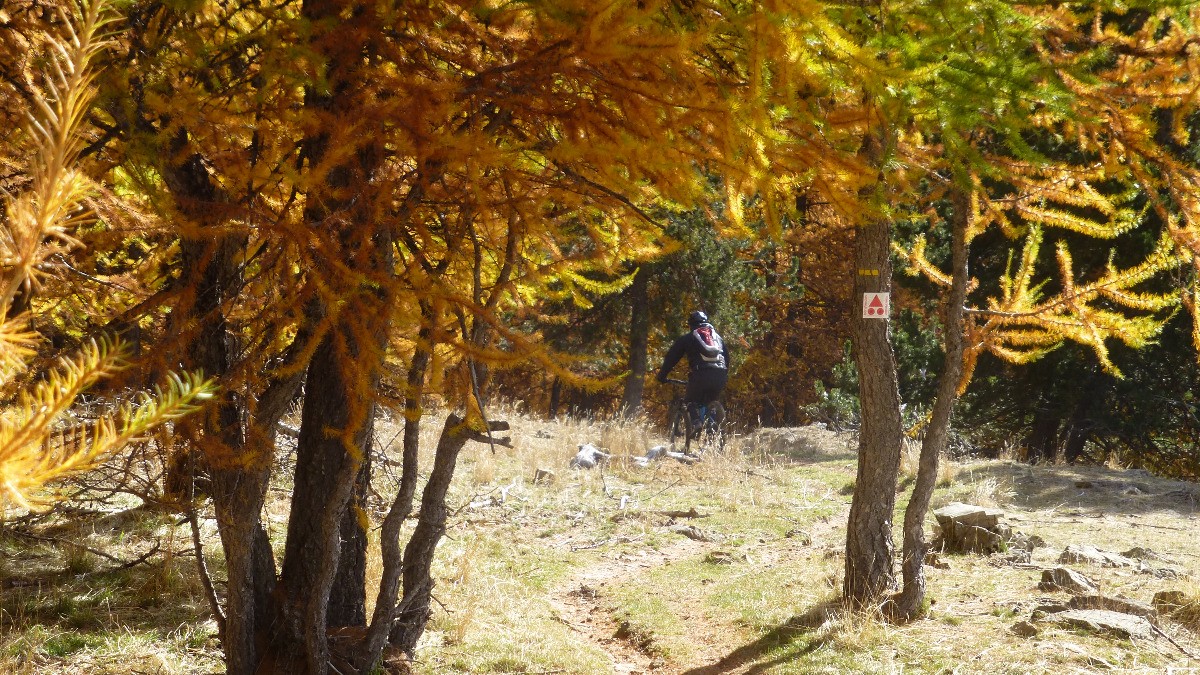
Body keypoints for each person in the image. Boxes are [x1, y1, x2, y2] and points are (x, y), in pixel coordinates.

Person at [656, 310, 730, 424]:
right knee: (711, 401)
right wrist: (723, 374)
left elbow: (671, 358)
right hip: (720, 374)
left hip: (701, 374)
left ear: (691, 324)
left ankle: (696, 423)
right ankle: (713, 427)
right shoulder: (717, 338)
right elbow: (727, 358)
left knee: (690, 400)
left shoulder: (688, 338)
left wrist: (662, 375)